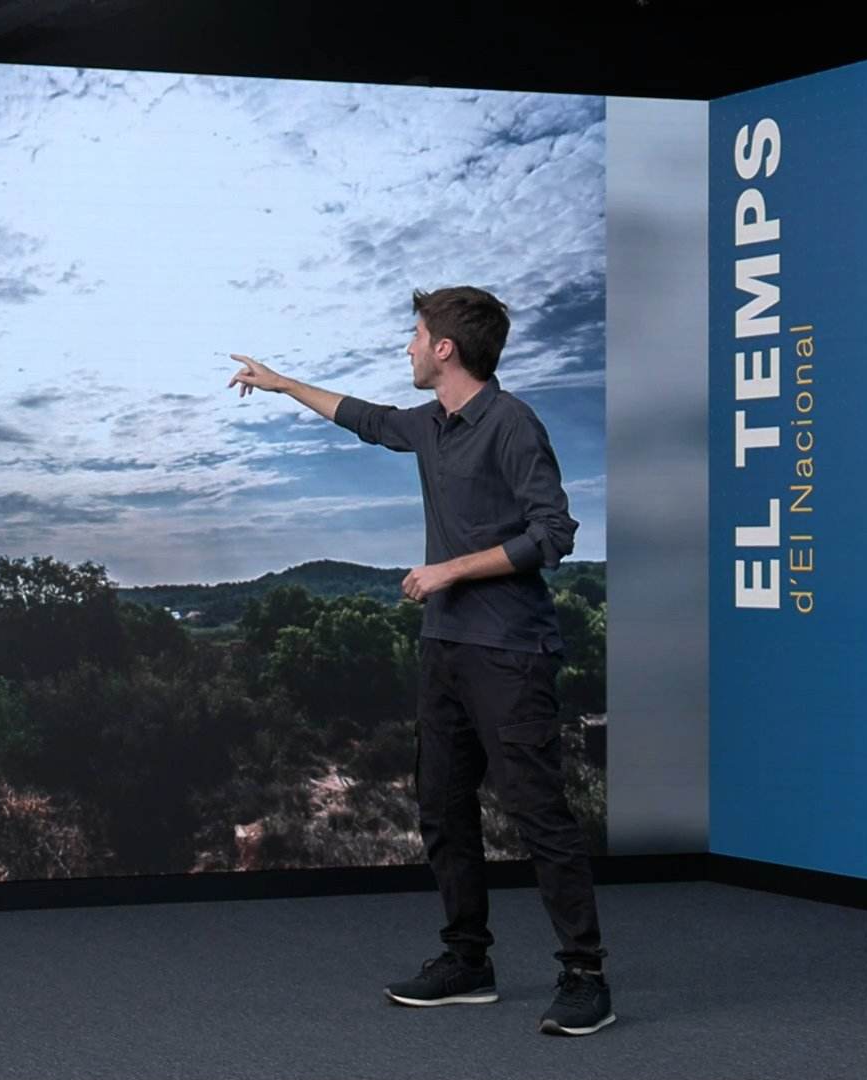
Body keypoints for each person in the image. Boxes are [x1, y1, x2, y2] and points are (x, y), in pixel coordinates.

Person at [226, 285, 613, 1037]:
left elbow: (554, 534)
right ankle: (468, 960)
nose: (406, 346)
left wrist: (450, 571)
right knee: (440, 806)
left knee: (540, 815)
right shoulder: (432, 426)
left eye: (414, 335)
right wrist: (280, 382)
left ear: (446, 349)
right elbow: (364, 420)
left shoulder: (512, 425)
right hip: (445, 648)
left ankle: (585, 974)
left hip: (510, 651)